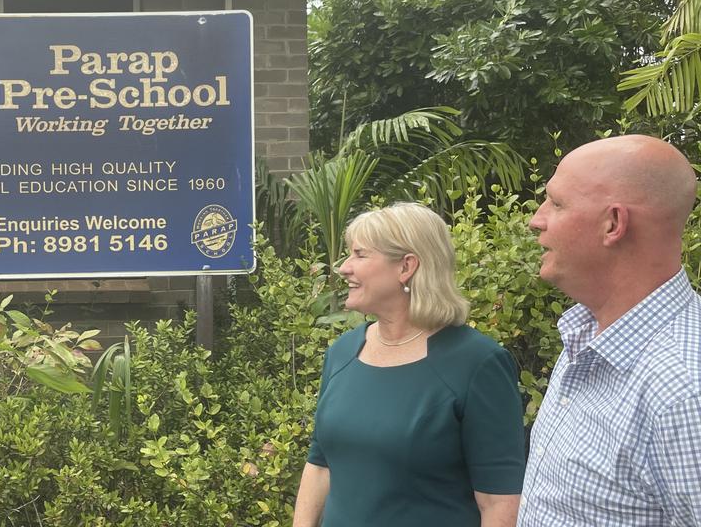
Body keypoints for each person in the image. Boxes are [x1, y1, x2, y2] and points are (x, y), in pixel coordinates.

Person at [292, 202, 525, 527]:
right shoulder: (343, 352)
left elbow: (499, 502)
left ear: (406, 267)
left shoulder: (477, 363)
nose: (344, 267)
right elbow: (320, 464)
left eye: (360, 254)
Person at [519, 135, 701, 526]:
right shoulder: (587, 335)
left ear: (613, 223)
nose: (537, 218)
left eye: (557, 202)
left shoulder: (684, 391)